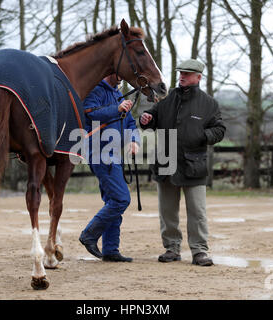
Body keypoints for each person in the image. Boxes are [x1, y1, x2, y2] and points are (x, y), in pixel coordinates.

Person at [139, 59, 226, 266]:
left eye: (187, 73)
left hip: (194, 165)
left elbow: (220, 130)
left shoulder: (209, 103)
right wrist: (146, 120)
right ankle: (171, 248)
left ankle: (199, 251)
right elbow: (151, 119)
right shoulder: (165, 100)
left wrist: (202, 135)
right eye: (180, 73)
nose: (182, 76)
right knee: (167, 211)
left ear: (198, 77)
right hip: (165, 162)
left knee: (197, 211)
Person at [79, 74, 140, 262]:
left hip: (114, 153)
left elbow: (130, 122)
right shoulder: (94, 90)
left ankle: (110, 250)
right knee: (121, 199)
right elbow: (89, 112)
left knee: (113, 201)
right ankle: (89, 234)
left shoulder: (118, 93)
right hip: (99, 151)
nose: (122, 76)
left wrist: (134, 140)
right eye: (118, 72)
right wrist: (116, 108)